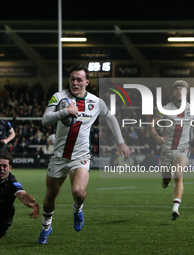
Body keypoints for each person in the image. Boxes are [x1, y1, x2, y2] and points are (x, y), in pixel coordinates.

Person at [37, 64, 131, 244]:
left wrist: (121, 142)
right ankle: (46, 227)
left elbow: (110, 118)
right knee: (51, 195)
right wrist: (65, 111)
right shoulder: (59, 97)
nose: (74, 82)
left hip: (81, 156)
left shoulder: (96, 102)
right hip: (59, 156)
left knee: (79, 192)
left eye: (79, 79)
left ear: (86, 82)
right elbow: (45, 119)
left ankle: (77, 209)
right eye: (72, 78)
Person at [148, 80, 194, 221]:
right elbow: (151, 125)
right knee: (167, 180)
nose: (179, 91)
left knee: (178, 176)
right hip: (167, 149)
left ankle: (175, 209)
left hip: (183, 148)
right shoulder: (164, 108)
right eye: (177, 89)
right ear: (173, 92)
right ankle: (165, 181)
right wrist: (156, 136)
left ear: (186, 93)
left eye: (182, 89)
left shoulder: (193, 109)